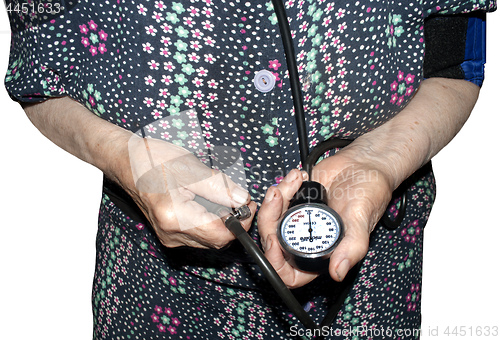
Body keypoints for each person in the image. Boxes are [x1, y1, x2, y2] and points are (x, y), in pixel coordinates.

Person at [4, 0, 496, 339]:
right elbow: (37, 76)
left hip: (372, 284)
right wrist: (126, 157)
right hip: (159, 291)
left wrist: (379, 161)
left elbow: (457, 68)